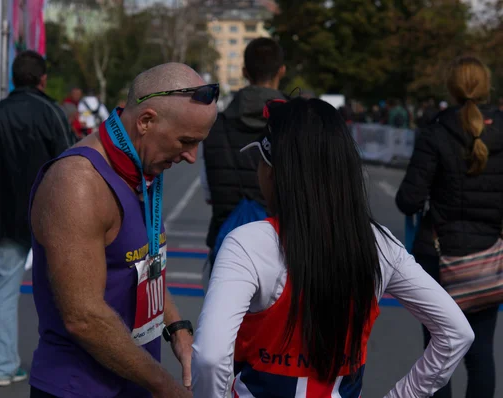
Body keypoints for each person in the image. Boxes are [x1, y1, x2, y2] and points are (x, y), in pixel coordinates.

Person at [192, 97, 475, 397]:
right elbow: (456, 332)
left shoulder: (247, 243)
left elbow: (210, 357)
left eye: (261, 162)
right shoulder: (380, 244)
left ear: (275, 172)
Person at [28, 63, 218, 398]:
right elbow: (83, 317)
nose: (191, 157)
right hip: (79, 389)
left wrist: (177, 327)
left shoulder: (141, 165)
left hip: (136, 381)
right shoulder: (77, 183)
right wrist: (165, 387)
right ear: (146, 121)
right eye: (186, 141)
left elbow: (142, 266)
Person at [396, 55, 503, 398]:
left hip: (440, 259)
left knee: (439, 356)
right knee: (481, 354)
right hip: (489, 258)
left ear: (451, 87)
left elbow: (408, 200)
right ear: (486, 87)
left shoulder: (436, 131)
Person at [0, 50, 75, 387]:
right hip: (49, 218)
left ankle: (3, 366)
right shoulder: (51, 112)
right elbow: (71, 166)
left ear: (15, 78)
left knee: (4, 288)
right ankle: (63, 368)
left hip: (5, 218)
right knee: (62, 293)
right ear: (42, 79)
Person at [202, 37, 286, 275]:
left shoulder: (215, 126)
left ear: (244, 72)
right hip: (286, 253)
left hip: (227, 248)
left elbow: (208, 191)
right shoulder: (299, 125)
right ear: (282, 70)